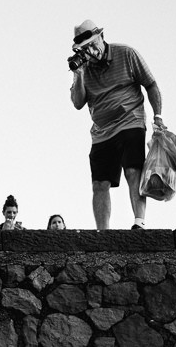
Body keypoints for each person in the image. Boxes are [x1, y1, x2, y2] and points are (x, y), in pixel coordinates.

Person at [69, 19, 164, 230]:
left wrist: (157, 116)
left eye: (93, 43)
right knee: (99, 184)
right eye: (85, 48)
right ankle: (103, 232)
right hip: (102, 132)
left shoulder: (126, 53)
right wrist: (78, 74)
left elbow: (151, 84)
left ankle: (139, 222)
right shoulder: (84, 68)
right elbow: (77, 103)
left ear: (102, 37)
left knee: (133, 170)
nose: (90, 50)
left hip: (131, 120)